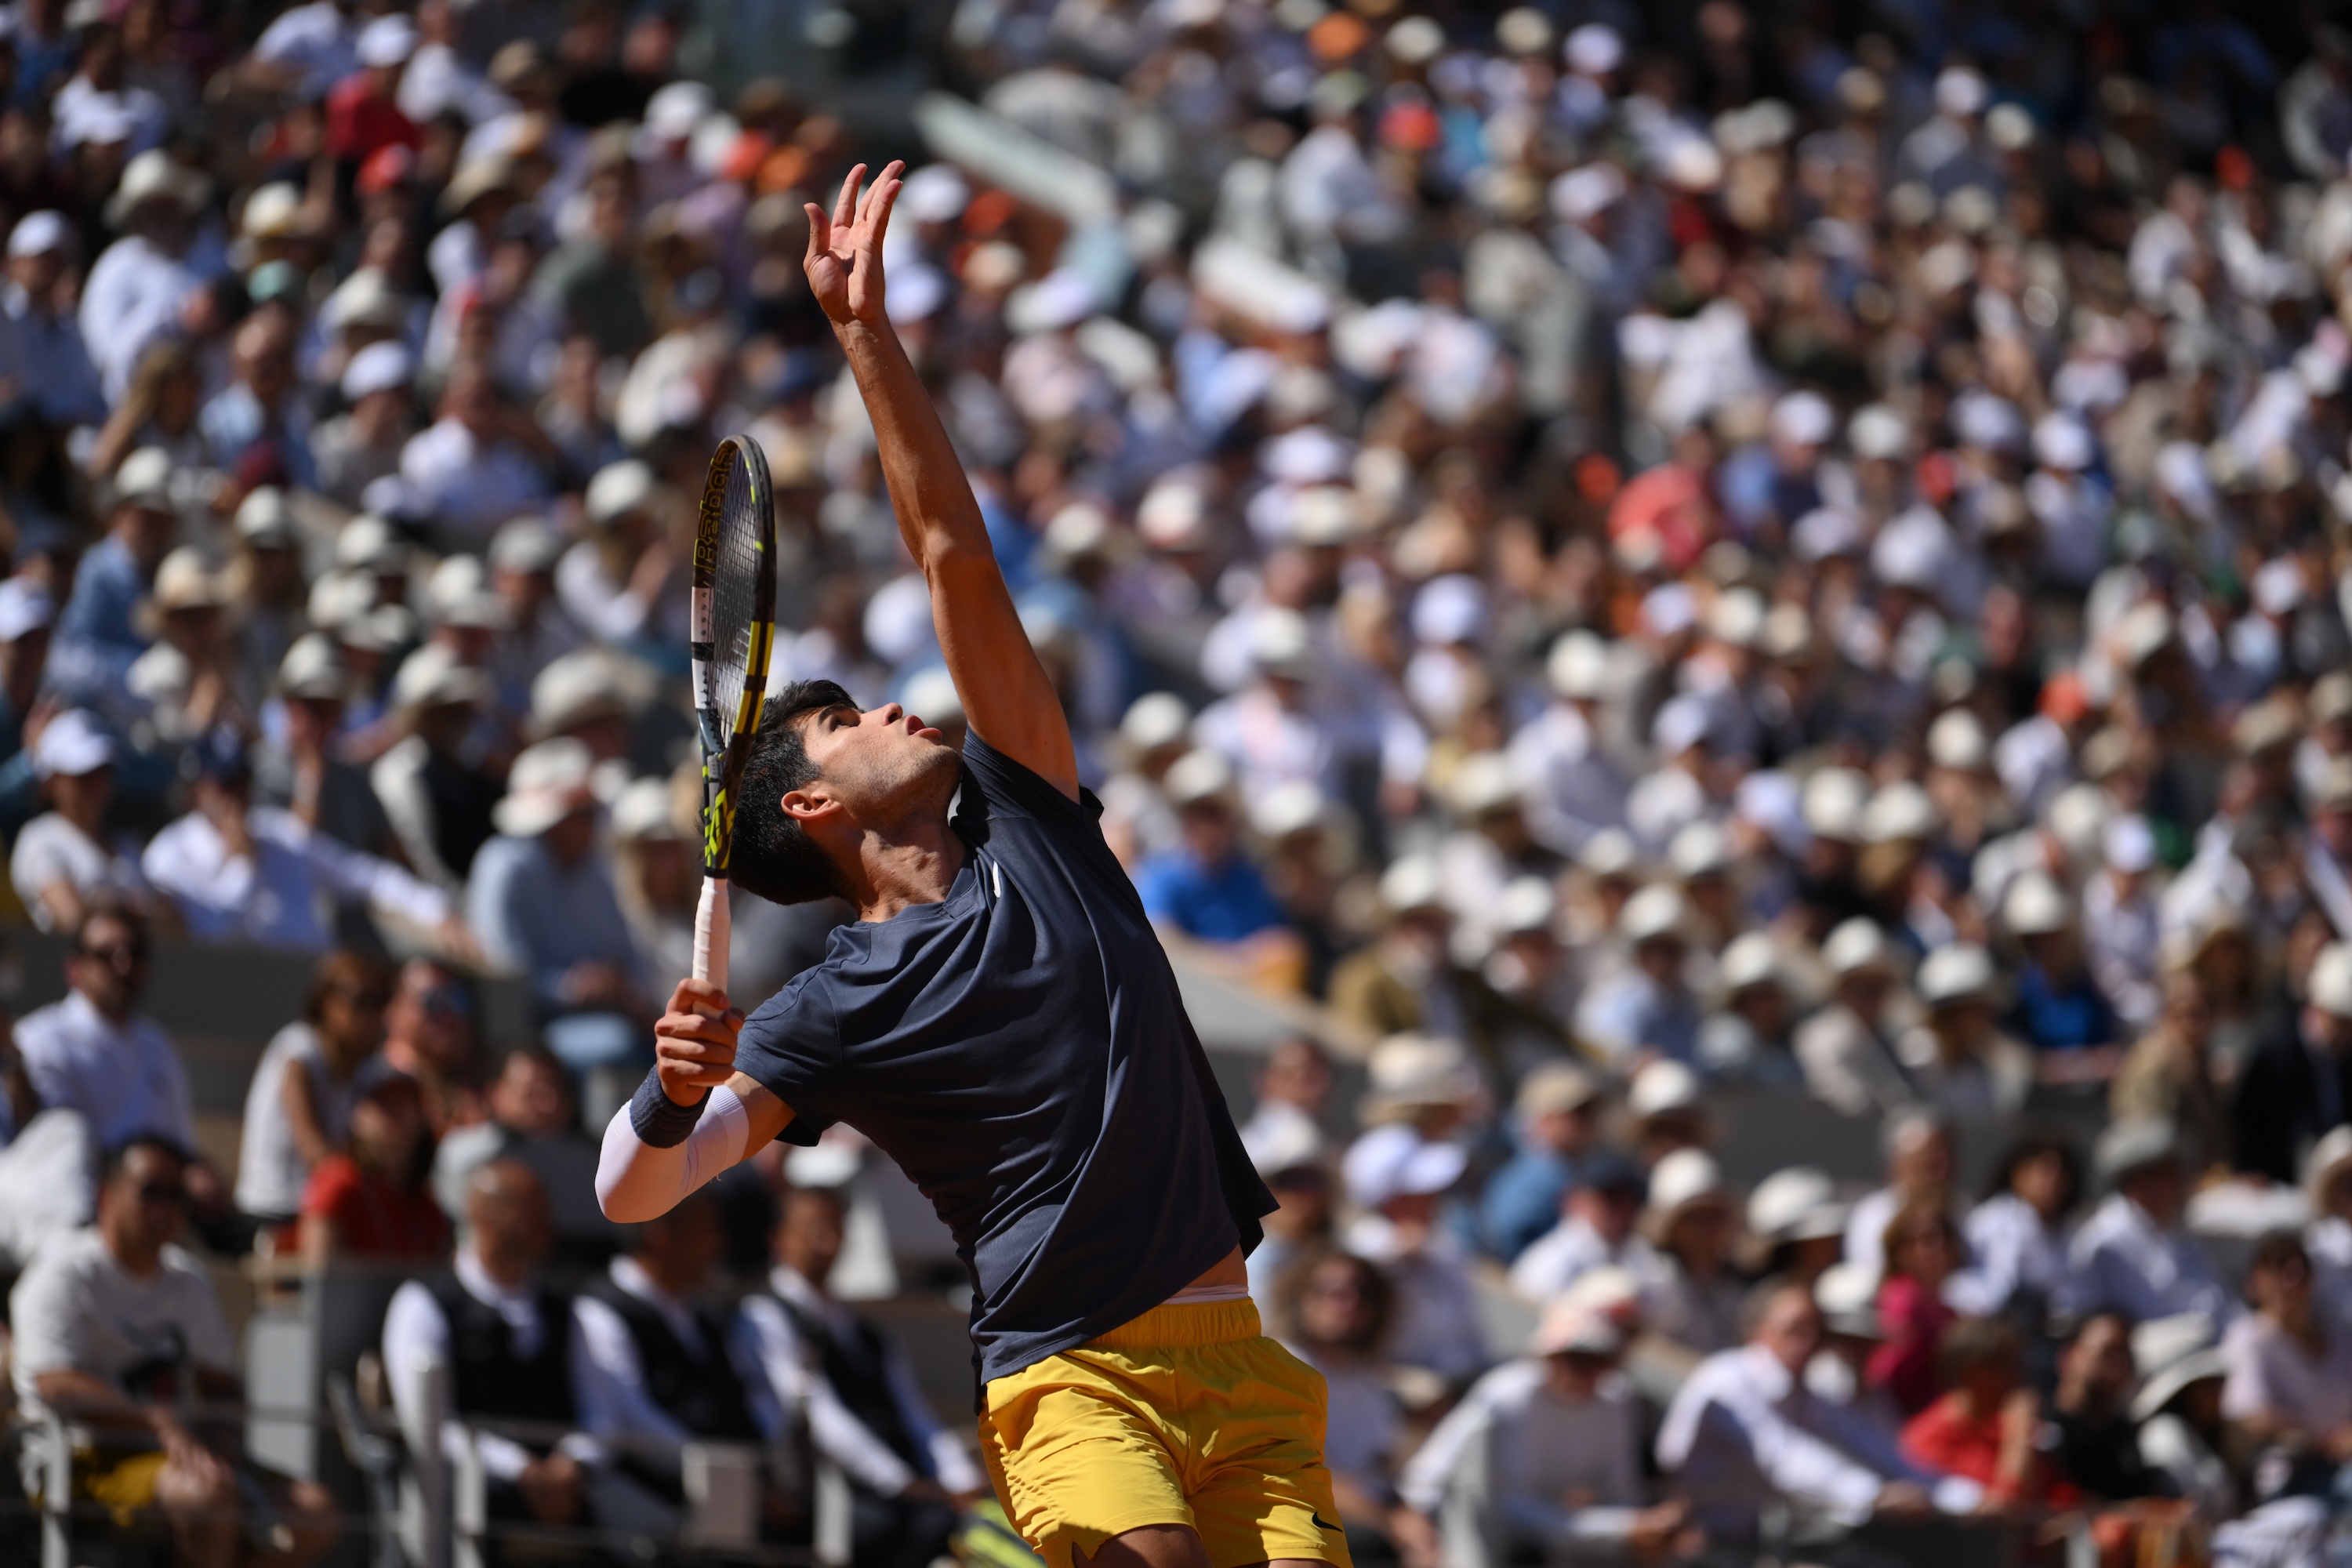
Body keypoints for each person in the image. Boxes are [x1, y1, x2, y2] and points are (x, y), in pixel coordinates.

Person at [595, 163, 1343, 1568]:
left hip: (1245, 1367)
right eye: (843, 718)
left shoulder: (1037, 812)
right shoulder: (831, 1003)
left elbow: (950, 554)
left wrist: (869, 335)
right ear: (811, 804)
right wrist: (669, 1087)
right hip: (1073, 1380)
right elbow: (631, 1194)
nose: (890, 704)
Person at [10, 1134, 336, 1568]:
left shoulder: (189, 1280)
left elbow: (221, 1382)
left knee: (312, 1513)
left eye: (177, 1196)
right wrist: (154, 1422)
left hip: (178, 1455)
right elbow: (54, 1385)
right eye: (151, 1192)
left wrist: (221, 1436)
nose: (165, 1208)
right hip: (80, 1456)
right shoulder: (63, 1274)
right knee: (207, 1498)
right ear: (107, 1194)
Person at [739, 1183, 983, 1568]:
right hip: (843, 1492)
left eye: (834, 1228)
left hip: (910, 1492)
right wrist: (900, 1482)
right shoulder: (765, 1316)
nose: (826, 1242)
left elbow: (914, 1413)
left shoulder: (868, 1332)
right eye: (813, 1228)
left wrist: (957, 1476)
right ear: (779, 1239)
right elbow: (819, 1417)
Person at [1655, 1278, 1984, 1546]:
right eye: (1795, 1329)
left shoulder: (1807, 1393)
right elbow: (1783, 1456)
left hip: (1755, 1540)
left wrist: (1967, 1498)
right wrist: (1875, 1494)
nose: (1809, 1341)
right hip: (1699, 1543)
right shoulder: (1726, 1379)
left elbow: (1876, 1448)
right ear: (1757, 1330)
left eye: (1817, 1331)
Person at [382, 1160, 593, 1536]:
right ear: (486, 1218)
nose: (547, 1224)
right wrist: (519, 1468)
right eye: (531, 1212)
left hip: (563, 1485)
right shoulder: (424, 1303)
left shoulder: (561, 1307)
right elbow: (431, 1424)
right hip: (474, 1489)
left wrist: (570, 1462)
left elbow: (597, 1410)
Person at [1400, 1297, 1684, 1568]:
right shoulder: (1509, 1396)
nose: (1584, 1373)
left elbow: (1621, 1492)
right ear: (1549, 1357)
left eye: (1596, 1360)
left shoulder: (1616, 1402)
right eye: (1573, 1359)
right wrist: (1618, 1528)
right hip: (1460, 1523)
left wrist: (1642, 1527)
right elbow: (1506, 1506)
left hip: (1545, 1528)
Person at [143, 725, 463, 954]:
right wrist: (243, 865)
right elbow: (210, 941)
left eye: (242, 782)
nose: (236, 797)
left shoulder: (280, 832)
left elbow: (366, 875)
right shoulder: (169, 856)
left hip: (311, 989)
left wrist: (437, 913)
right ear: (196, 790)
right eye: (223, 785)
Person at [571, 1189, 762, 1522]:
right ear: (659, 1235)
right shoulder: (601, 1310)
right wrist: (714, 1470)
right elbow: (630, 1417)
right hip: (658, 1496)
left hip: (734, 1490)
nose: (718, 1246)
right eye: (705, 1231)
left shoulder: (707, 1317)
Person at [1275, 1252, 1421, 1566]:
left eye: (1362, 1292)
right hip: (1307, 1512)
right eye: (1330, 1290)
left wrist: (1411, 1520)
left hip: (1373, 1509)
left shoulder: (1368, 1378)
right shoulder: (1281, 1368)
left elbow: (1383, 1466)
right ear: (1300, 1297)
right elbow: (1303, 1473)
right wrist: (1392, 1524)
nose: (1347, 1302)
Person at [15, 902, 194, 1154]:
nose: (123, 966)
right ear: (74, 969)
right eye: (105, 955)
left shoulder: (159, 1046)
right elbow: (52, 1152)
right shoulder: (39, 1040)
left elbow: (182, 1147)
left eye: (135, 953)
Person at [234, 949, 391, 1229]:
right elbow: (317, 1155)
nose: (371, 1016)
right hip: (273, 1213)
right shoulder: (298, 1051)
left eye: (380, 1002)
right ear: (324, 1002)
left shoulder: (368, 1070)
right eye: (360, 1001)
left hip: (327, 1212)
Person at [2070, 1119, 2235, 1327]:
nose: (2179, 1181)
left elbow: (2216, 1298)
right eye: (2166, 1173)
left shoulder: (2175, 1229)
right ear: (2139, 1181)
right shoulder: (2105, 1239)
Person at [2220, 1231, 2352, 1488]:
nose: (2292, 1282)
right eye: (2279, 1269)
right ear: (2256, 1280)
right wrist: (2326, 1442)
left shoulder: (2339, 1337)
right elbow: (2252, 1417)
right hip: (2291, 1477)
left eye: (2301, 1271)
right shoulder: (2248, 1338)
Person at [1899, 1316, 2072, 1510]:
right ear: (1973, 1372)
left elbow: (2053, 1492)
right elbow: (2003, 1508)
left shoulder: (2002, 1423)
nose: (2017, 1376)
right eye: (2007, 1367)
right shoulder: (1926, 1438)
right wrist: (2019, 1433)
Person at [11, 708, 154, 933]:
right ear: (51, 782)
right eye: (82, 777)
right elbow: (72, 919)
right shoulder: (39, 839)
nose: (97, 787)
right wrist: (136, 909)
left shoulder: (127, 845)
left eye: (103, 773)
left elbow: (174, 927)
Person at [298, 1064, 448, 1264]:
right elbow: (319, 1276)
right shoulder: (337, 1183)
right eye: (382, 1102)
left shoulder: (426, 1203)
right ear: (356, 1116)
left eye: (404, 1100)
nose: (394, 1112)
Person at [2232, 942, 2352, 1186]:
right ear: (2317, 1009)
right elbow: (2251, 1131)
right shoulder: (2273, 1058)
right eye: (2341, 1021)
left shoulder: (2346, 1059)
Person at [1479, 1062, 1602, 1263]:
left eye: (1591, 1111)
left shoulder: (1577, 1171)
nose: (1588, 1120)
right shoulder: (1525, 1184)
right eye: (1577, 1113)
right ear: (1545, 1120)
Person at [1507, 1150, 1653, 1304]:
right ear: (1580, 1200)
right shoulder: (1551, 1264)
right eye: (1611, 1200)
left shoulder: (1639, 1256)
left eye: (1631, 1202)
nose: (1622, 1211)